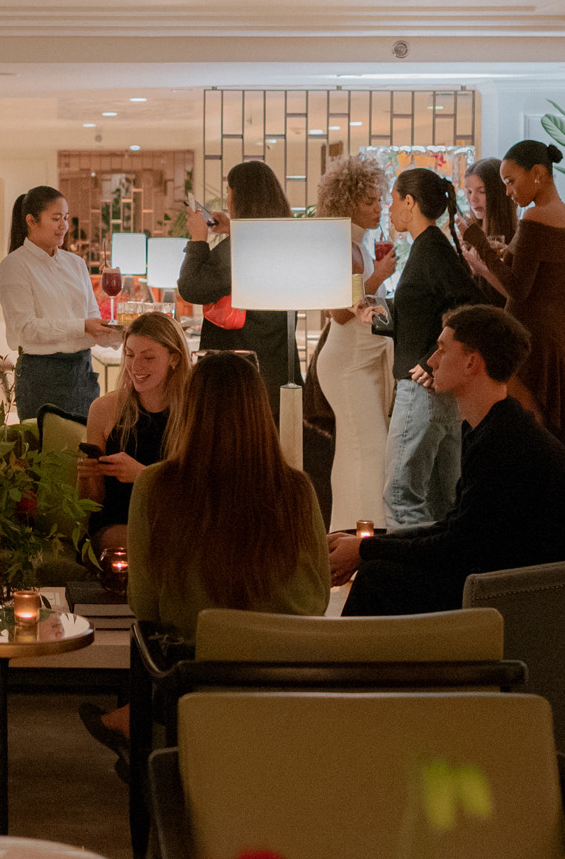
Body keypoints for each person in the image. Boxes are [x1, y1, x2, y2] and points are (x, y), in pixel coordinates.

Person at [333, 304, 565, 615]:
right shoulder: (492, 427)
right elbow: (456, 528)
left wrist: (366, 549)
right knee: (378, 569)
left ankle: (348, 661)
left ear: (472, 362)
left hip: (534, 593)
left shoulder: (504, 440)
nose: (431, 360)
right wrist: (365, 544)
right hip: (506, 572)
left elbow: (459, 544)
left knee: (379, 577)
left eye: (442, 350)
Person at [127, 350, 331, 638]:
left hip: (199, 667)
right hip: (290, 665)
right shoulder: (297, 488)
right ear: (260, 408)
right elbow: (320, 595)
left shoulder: (154, 485)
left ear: (188, 408)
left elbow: (145, 605)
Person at [460, 139, 565, 467]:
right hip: (564, 336)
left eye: (511, 181)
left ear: (538, 174)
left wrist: (479, 244)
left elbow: (518, 290)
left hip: (532, 339)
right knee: (560, 433)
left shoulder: (534, 218)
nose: (507, 191)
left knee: (531, 433)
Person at [378, 167, 480, 528]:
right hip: (433, 391)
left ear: (410, 202)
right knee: (443, 502)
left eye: (392, 200)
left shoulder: (432, 249)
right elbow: (428, 314)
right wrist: (376, 315)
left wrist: (431, 359)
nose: (389, 209)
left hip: (421, 389)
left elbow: (469, 307)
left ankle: (409, 582)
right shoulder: (428, 248)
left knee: (401, 498)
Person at [308, 153, 394, 533]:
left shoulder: (360, 242)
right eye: (369, 201)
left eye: (379, 200)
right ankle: (362, 538)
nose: (378, 208)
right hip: (346, 365)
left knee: (356, 452)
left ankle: (349, 533)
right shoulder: (341, 245)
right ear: (346, 202)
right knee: (369, 451)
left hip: (359, 360)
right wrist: (381, 279)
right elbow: (339, 311)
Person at [175, 159, 302, 392]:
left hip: (240, 371)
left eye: (229, 194)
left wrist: (198, 239)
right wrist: (234, 227)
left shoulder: (243, 247)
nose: (228, 202)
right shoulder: (284, 238)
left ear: (241, 199)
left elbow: (192, 287)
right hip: (278, 367)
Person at [0, 186, 118, 421]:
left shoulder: (76, 264)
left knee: (85, 451)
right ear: (31, 221)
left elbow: (92, 322)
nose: (64, 226)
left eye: (65, 218)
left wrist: (124, 332)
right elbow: (26, 329)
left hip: (82, 372)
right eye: (55, 219)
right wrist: (81, 326)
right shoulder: (15, 266)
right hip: (42, 375)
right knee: (47, 453)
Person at [78, 311, 189, 554]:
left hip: (174, 525)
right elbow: (91, 508)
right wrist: (88, 476)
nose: (135, 366)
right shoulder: (105, 409)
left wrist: (141, 475)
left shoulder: (193, 412)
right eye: (129, 355)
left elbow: (197, 494)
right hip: (115, 527)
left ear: (174, 358)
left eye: (148, 357)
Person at [460, 161, 518, 302]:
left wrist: (480, 268)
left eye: (482, 192)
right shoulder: (466, 239)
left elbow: (516, 297)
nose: (473, 199)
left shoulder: (513, 242)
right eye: (469, 192)